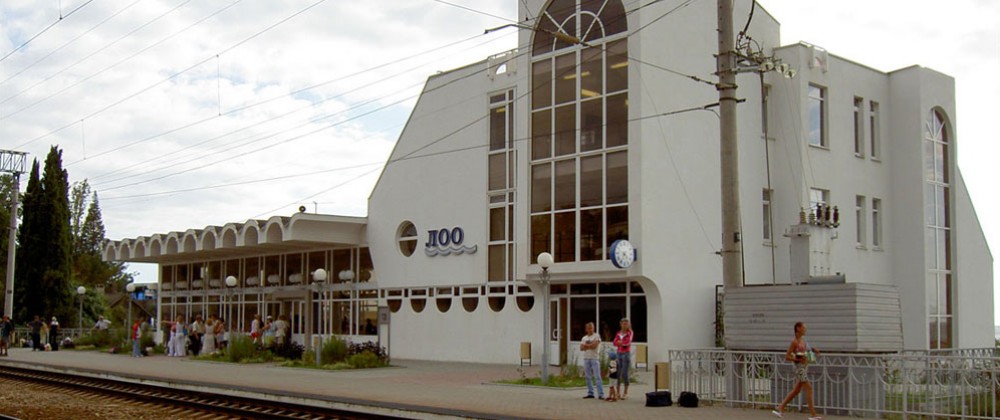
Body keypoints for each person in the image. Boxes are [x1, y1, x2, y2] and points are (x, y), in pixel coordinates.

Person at [773, 322, 822, 420]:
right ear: (798, 329)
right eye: (804, 328)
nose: (805, 329)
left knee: (796, 390)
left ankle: (780, 408)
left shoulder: (803, 340)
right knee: (809, 388)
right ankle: (813, 415)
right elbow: (787, 356)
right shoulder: (794, 342)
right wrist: (797, 359)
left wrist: (813, 350)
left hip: (804, 366)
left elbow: (807, 349)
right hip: (799, 367)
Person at [611, 318, 633, 401]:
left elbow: (628, 342)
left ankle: (625, 392)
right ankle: (618, 392)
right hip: (618, 354)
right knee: (617, 373)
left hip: (625, 354)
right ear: (620, 324)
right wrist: (619, 343)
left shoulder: (630, 332)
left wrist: (621, 343)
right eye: (623, 324)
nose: (625, 325)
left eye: (626, 324)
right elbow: (614, 342)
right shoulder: (618, 333)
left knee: (624, 373)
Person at [580, 322, 604, 400]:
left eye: (592, 328)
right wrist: (589, 346)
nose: (590, 329)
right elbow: (581, 348)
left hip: (594, 358)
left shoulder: (596, 336)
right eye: (589, 328)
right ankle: (590, 393)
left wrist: (586, 346)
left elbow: (594, 346)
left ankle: (600, 394)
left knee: (597, 377)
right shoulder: (584, 338)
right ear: (586, 329)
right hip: (586, 358)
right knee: (588, 377)